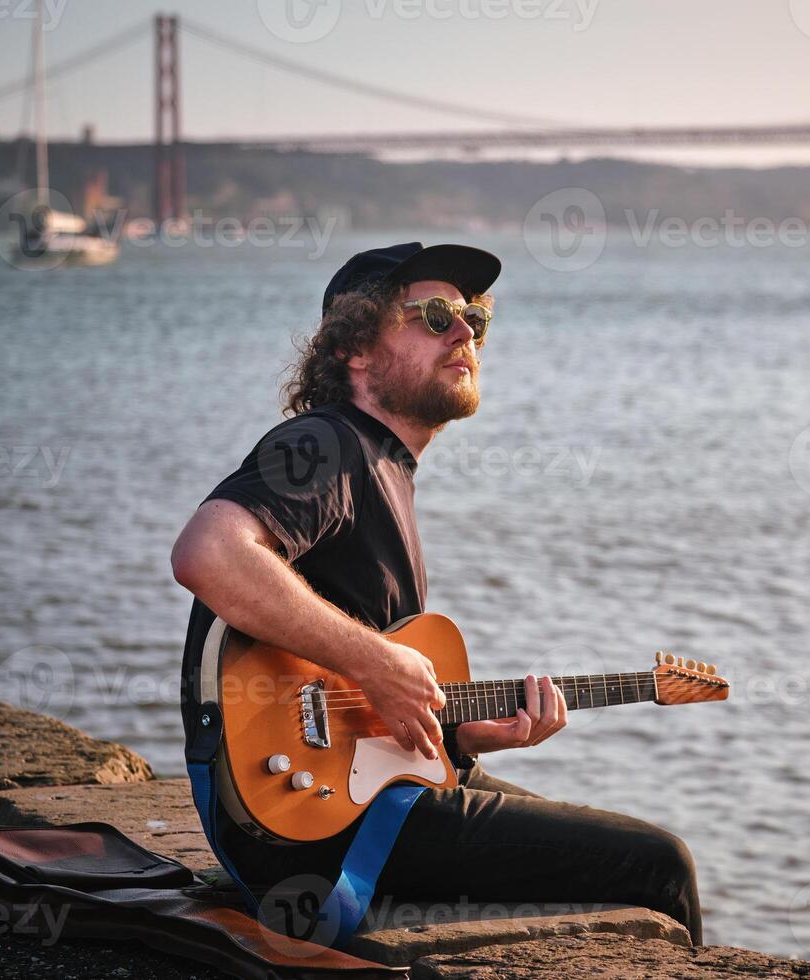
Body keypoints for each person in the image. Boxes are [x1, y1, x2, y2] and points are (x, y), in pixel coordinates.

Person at [170, 242, 702, 944]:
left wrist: (460, 738)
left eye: (473, 321)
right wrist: (375, 661)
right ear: (355, 349)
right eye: (433, 315)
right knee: (659, 865)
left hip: (350, 799)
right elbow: (208, 552)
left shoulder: (383, 468)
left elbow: (363, 713)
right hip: (306, 825)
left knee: (608, 845)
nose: (464, 334)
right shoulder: (329, 443)